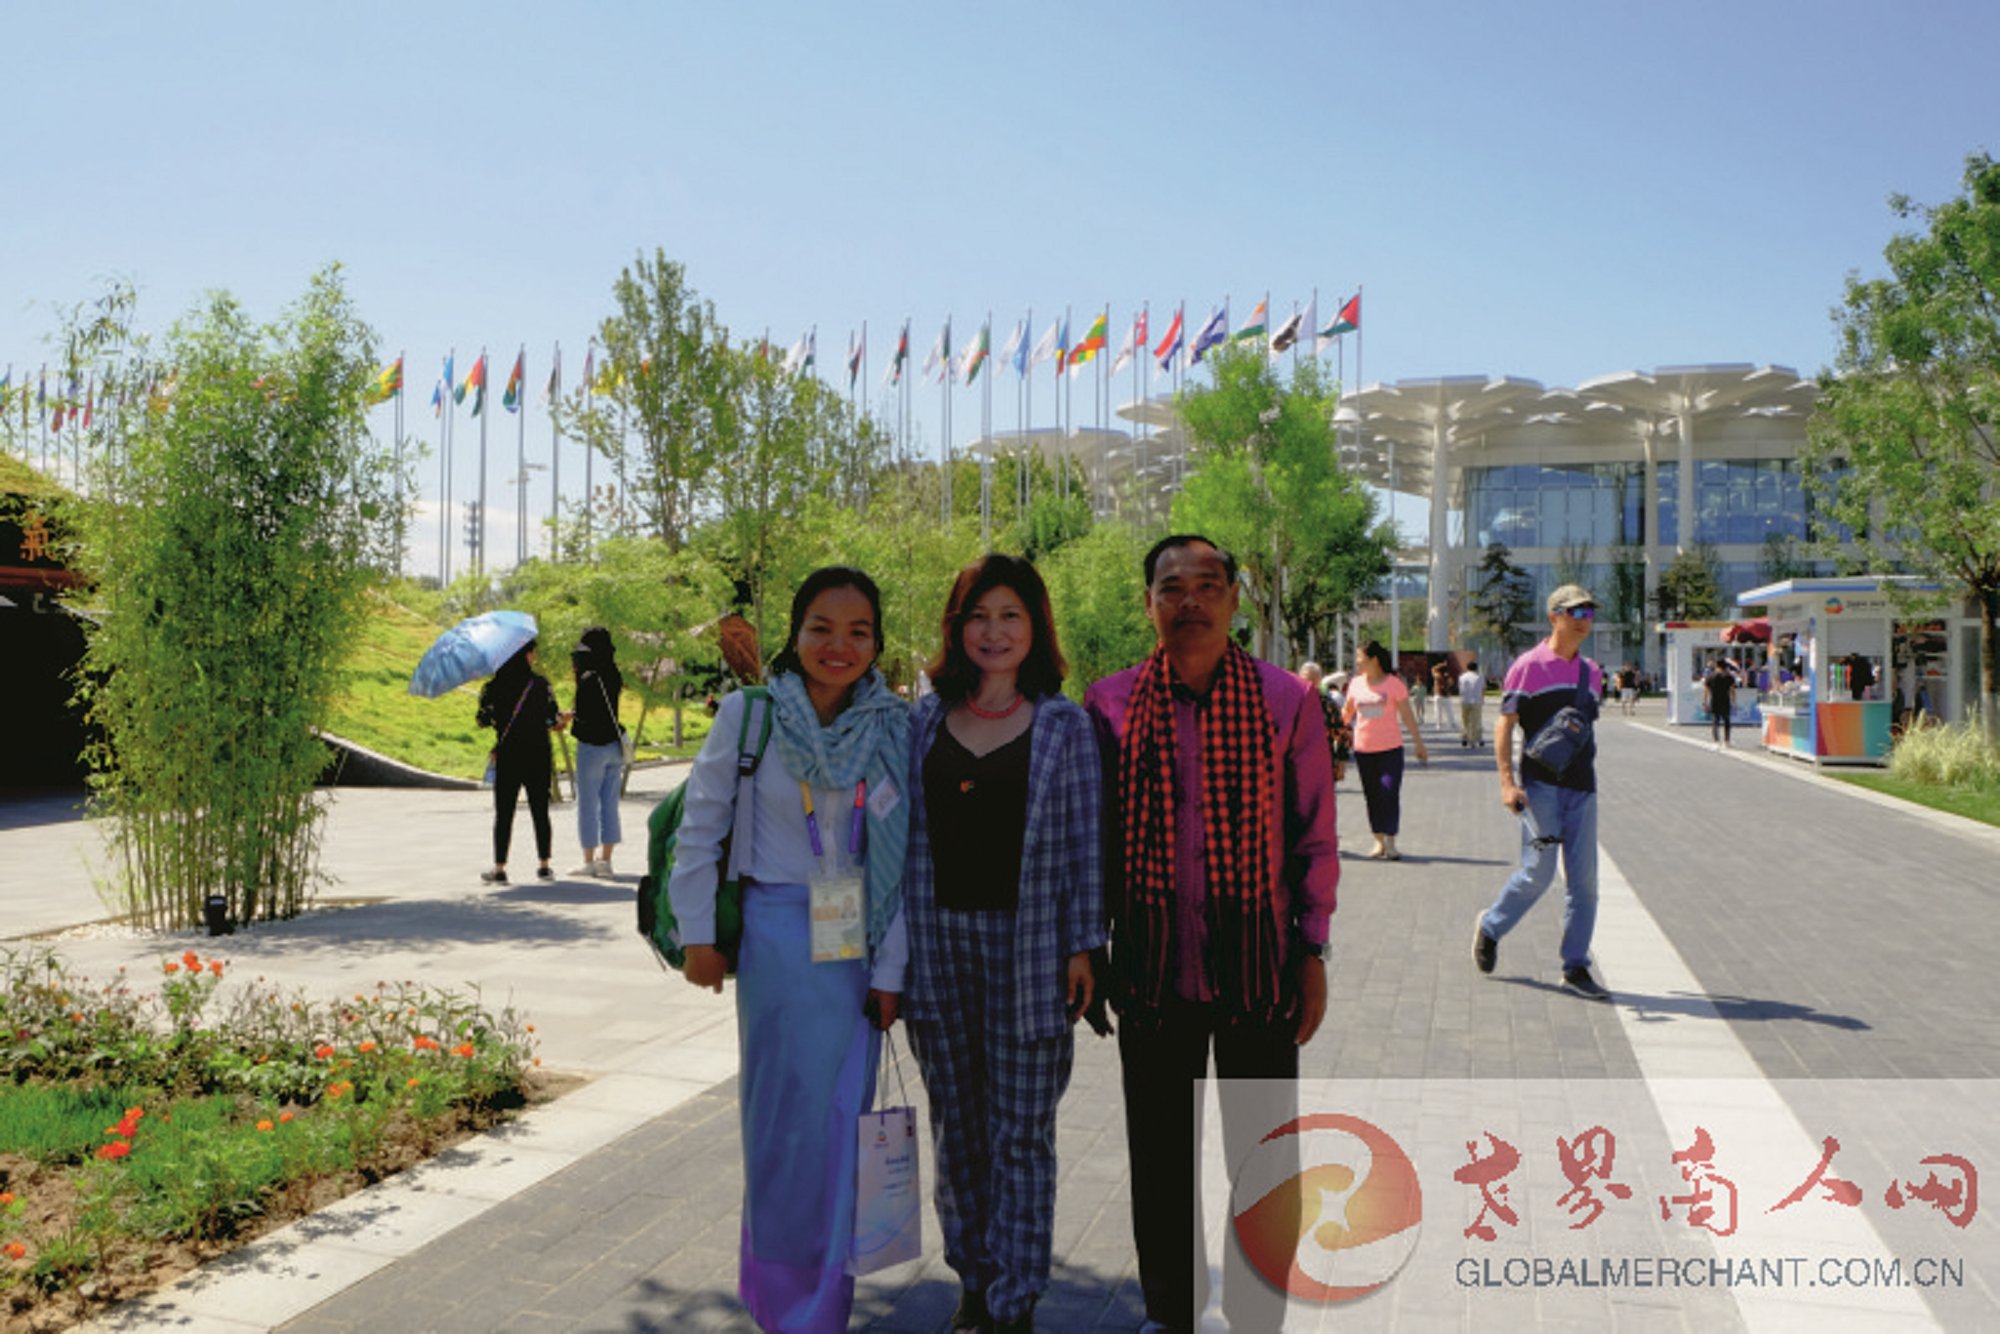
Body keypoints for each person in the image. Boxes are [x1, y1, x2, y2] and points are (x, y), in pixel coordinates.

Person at [1085, 534, 1338, 1334]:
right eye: (1171, 587)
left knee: (1264, 1157)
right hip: (1151, 964)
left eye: (1206, 585)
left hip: (1257, 965)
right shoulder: (1109, 704)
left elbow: (1314, 835)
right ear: (1148, 604)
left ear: (1234, 600)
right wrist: (1088, 945)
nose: (1188, 600)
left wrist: (1312, 949)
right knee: (1159, 1156)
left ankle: (1259, 1316)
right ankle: (1171, 1313)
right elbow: (1093, 842)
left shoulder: (1284, 701)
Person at [668, 567, 910, 1333]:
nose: (839, 646)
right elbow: (700, 829)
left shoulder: (892, 725)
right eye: (821, 628)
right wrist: (697, 936)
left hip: (856, 955)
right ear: (795, 634)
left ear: (876, 644)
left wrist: (892, 969)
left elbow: (905, 862)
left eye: (858, 632)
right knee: (779, 1130)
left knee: (841, 1129)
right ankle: (780, 1306)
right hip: (775, 947)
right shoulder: (752, 715)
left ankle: (824, 1308)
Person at [904, 555, 1105, 1334]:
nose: (994, 631)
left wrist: (1083, 945)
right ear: (957, 627)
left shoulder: (1063, 724)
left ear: (1035, 627)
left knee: (1021, 1134)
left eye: (1010, 615)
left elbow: (1087, 844)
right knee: (957, 1131)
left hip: (1031, 952)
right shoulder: (922, 721)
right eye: (978, 616)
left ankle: (1014, 1300)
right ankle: (974, 1281)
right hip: (937, 948)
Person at [1471, 584, 1609, 1001]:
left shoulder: (1592, 673)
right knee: (1539, 872)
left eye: (1589, 613)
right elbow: (1504, 725)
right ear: (1554, 617)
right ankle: (1491, 926)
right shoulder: (1528, 667)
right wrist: (1506, 782)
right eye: (1575, 612)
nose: (1584, 620)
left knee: (1585, 883)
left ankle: (1575, 965)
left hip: (1582, 788)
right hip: (1540, 789)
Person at [476, 641, 565, 885]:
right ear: (526, 654)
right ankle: (544, 865)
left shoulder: (493, 686)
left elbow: (482, 720)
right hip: (538, 754)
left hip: (508, 754)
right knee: (540, 810)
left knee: (504, 812)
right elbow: (552, 719)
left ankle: (499, 868)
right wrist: (557, 720)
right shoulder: (540, 684)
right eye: (532, 652)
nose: (534, 656)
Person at [1341, 640, 1429, 860]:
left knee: (1389, 792)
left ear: (1374, 660)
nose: (1357, 663)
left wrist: (1418, 743)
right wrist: (1333, 733)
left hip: (1390, 749)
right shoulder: (1355, 684)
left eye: (1360, 659)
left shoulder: (1393, 684)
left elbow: (1407, 715)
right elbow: (1347, 713)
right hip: (1363, 749)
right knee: (1372, 795)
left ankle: (1390, 841)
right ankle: (1378, 840)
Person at [568, 626, 625, 877]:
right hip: (615, 746)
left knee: (588, 804)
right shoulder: (614, 674)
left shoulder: (589, 678)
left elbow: (584, 714)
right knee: (610, 803)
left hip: (592, 747)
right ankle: (606, 860)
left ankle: (589, 861)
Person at [1702, 657, 1737, 750]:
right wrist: (1734, 702)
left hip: (1714, 700)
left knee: (1715, 721)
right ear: (1725, 667)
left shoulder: (1710, 677)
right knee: (1726, 721)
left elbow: (1706, 691)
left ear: (1717, 666)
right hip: (1725, 700)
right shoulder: (1729, 677)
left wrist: (1704, 702)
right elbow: (1732, 691)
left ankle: (1716, 742)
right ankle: (1727, 741)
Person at [1457, 657, 1485, 747]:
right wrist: (1482, 699)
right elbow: (1482, 689)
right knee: (1475, 721)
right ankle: (1473, 740)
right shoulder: (1479, 677)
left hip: (1464, 700)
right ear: (1476, 668)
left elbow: (1460, 689)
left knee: (1465, 720)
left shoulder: (1462, 677)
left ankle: (1464, 737)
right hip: (1476, 700)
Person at [1432, 658, 1455, 729]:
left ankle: (1438, 724)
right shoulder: (1447, 676)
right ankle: (1450, 724)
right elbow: (1451, 683)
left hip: (1438, 695)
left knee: (1438, 711)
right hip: (1446, 695)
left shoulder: (1437, 676)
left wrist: (1441, 664)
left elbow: (1433, 669)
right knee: (1449, 711)